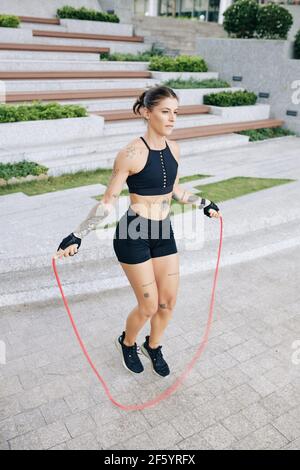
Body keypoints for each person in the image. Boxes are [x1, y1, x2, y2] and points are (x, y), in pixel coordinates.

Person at [56, 85, 221, 378]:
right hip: (133, 233)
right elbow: (108, 203)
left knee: (167, 301)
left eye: (175, 113)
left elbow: (176, 190)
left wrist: (203, 203)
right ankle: (127, 341)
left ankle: (153, 346)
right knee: (148, 306)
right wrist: (78, 234)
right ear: (147, 113)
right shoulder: (130, 153)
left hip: (162, 231)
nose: (172, 119)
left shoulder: (175, 149)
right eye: (165, 112)